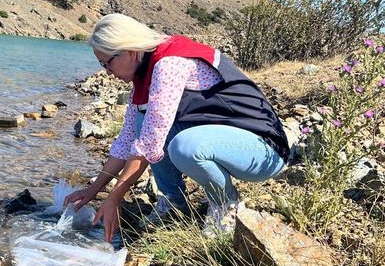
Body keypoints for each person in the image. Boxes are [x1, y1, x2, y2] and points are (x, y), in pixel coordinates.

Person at [63, 13, 289, 242]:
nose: (106, 72)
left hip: (263, 150)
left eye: (106, 63)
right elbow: (127, 140)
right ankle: (174, 202)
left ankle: (225, 205)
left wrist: (115, 197)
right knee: (144, 122)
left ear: (129, 51)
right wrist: (93, 191)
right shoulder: (143, 77)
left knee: (185, 147)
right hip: (224, 139)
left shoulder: (170, 64)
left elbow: (150, 143)